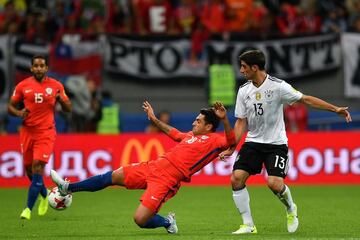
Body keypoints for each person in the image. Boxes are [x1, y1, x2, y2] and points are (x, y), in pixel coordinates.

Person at [50, 100, 235, 234]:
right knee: (112, 176)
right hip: (153, 166)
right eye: (195, 119)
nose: (194, 122)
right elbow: (173, 132)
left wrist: (225, 120)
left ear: (209, 126)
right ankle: (68, 188)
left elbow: (231, 140)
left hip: (166, 180)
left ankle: (167, 222)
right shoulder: (189, 135)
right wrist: (153, 118)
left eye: (199, 121)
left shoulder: (215, 141)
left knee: (140, 219)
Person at [220, 49, 352, 234]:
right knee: (236, 178)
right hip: (253, 142)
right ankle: (248, 225)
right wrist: (232, 147)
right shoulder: (244, 91)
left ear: (254, 67)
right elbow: (241, 121)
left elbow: (306, 99)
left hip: (276, 143)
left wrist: (335, 109)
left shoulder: (278, 86)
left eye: (243, 67)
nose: (241, 71)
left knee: (274, 183)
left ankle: (291, 208)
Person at [8, 55, 72, 220]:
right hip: (27, 132)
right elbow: (10, 106)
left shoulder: (56, 86)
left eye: (41, 65)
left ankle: (27, 209)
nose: (38, 68)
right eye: (35, 65)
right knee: (29, 170)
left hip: (46, 132)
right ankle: (44, 195)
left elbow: (68, 108)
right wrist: (18, 113)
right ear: (31, 68)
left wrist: (61, 101)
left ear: (46, 68)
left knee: (38, 166)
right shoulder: (23, 86)